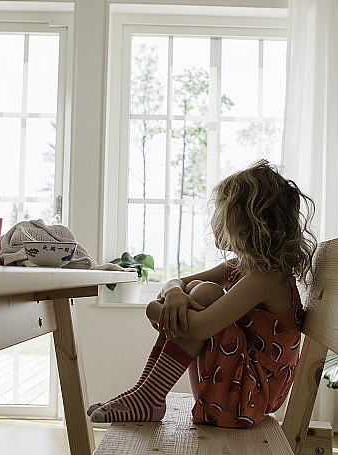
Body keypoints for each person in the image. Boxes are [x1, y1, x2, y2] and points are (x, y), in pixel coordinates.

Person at [87, 160, 316, 428]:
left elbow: (198, 328)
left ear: (246, 220)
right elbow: (175, 282)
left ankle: (148, 396)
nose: (214, 220)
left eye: (221, 211)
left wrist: (154, 309)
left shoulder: (268, 276)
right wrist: (174, 293)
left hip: (248, 398)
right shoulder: (240, 266)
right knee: (198, 290)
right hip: (228, 389)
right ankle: (146, 393)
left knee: (205, 293)